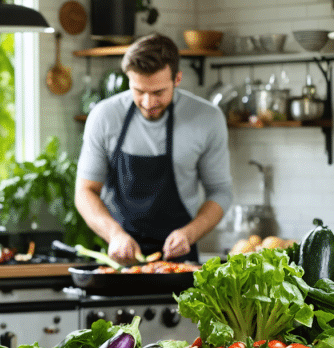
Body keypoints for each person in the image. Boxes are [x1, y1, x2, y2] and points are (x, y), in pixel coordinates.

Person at [74, 33, 232, 265]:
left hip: (180, 261)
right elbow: (85, 192)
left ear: (177, 79)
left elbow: (220, 192)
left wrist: (189, 233)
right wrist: (114, 234)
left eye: (158, 92)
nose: (148, 103)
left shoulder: (207, 118)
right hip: (119, 259)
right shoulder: (104, 116)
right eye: (138, 91)